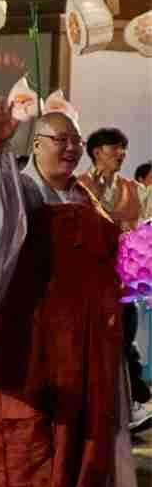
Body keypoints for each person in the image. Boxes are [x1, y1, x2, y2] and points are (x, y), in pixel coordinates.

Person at [0, 99, 139, 487]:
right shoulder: (21, 187)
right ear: (36, 145)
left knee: (61, 422)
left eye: (77, 141)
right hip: (24, 323)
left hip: (74, 333)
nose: (72, 149)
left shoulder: (83, 194)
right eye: (62, 140)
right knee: (14, 412)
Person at [77, 128, 152, 429]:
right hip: (84, 282)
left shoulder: (136, 190)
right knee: (92, 346)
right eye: (115, 148)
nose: (121, 154)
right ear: (97, 151)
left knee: (122, 338)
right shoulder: (76, 187)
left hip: (123, 281)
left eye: (123, 148)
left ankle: (128, 405)